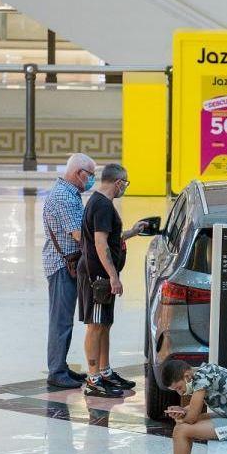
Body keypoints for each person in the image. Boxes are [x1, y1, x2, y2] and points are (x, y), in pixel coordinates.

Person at [77, 163, 147, 398]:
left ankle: (105, 371)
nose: (124, 188)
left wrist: (132, 232)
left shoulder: (99, 203)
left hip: (101, 277)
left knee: (104, 323)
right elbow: (100, 243)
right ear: (118, 182)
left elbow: (110, 237)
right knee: (95, 326)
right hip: (98, 278)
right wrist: (113, 277)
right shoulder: (103, 205)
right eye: (125, 184)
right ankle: (93, 378)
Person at [43, 153, 95, 389]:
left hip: (67, 264)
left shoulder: (70, 193)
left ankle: (61, 367)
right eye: (90, 175)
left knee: (64, 320)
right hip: (62, 265)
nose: (92, 179)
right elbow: (78, 234)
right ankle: (56, 371)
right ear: (78, 173)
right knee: (60, 321)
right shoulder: (64, 197)